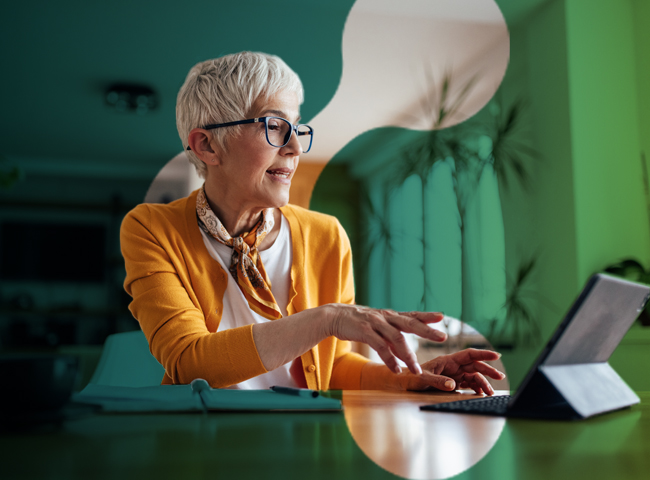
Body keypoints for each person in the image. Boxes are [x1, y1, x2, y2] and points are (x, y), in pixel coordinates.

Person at [120, 51, 504, 393]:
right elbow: (189, 362)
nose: (296, 147)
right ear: (207, 145)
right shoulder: (150, 228)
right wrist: (327, 318)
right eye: (273, 126)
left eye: (298, 128)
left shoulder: (327, 235)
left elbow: (332, 367)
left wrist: (409, 377)